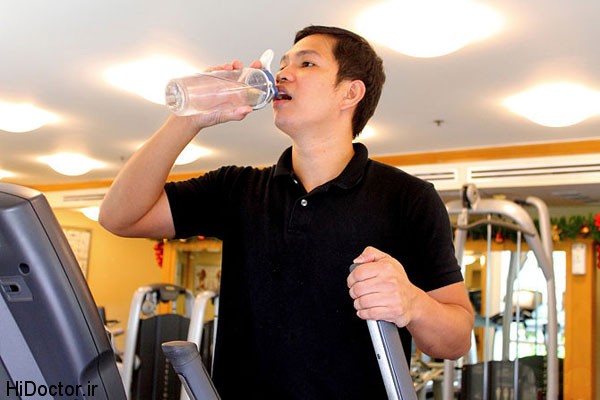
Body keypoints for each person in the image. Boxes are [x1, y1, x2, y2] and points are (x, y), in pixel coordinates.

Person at [100, 25, 474, 399]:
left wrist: (412, 303)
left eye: (306, 63)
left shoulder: (409, 198)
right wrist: (189, 116)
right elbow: (119, 217)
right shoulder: (236, 188)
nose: (282, 74)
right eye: (282, 64)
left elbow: (456, 340)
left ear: (350, 92)